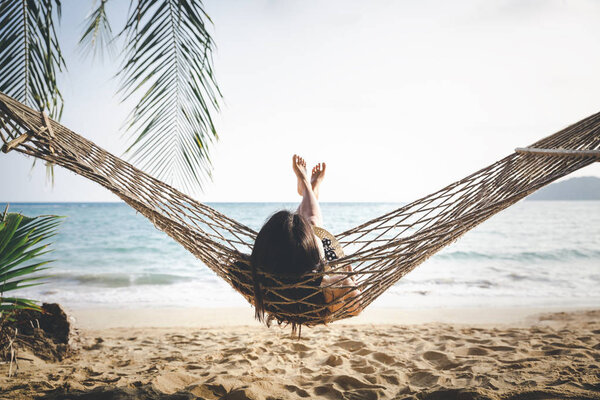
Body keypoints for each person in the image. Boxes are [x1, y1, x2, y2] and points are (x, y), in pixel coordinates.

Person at [250, 155, 361, 324]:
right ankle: (307, 187)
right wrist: (350, 281)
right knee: (313, 222)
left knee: (304, 224)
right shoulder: (332, 286)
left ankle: (308, 189)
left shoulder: (260, 280)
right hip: (324, 273)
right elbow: (356, 309)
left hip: (283, 288)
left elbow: (236, 273)